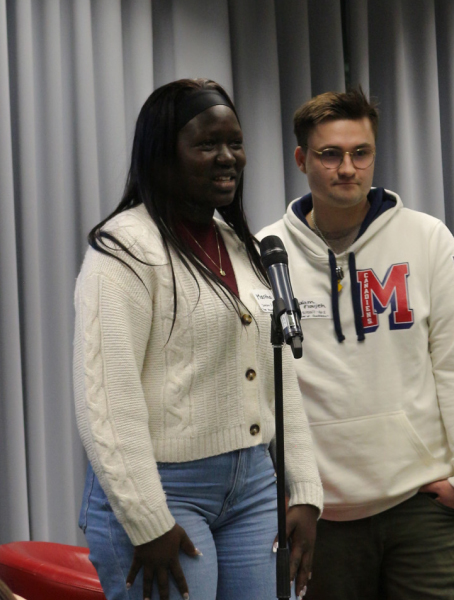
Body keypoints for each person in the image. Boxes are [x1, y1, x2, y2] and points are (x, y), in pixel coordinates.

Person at [73, 79, 323, 600]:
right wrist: (146, 519)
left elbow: (278, 377)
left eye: (235, 143)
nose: (228, 157)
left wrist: (303, 490)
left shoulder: (244, 246)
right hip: (163, 489)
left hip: (254, 486)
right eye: (207, 144)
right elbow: (107, 400)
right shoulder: (123, 249)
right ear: (163, 155)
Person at [257, 88, 454, 599]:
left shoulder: (427, 238)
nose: (347, 168)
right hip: (320, 515)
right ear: (301, 159)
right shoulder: (267, 254)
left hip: (422, 509)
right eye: (330, 154)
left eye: (360, 153)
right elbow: (257, 386)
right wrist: (283, 490)